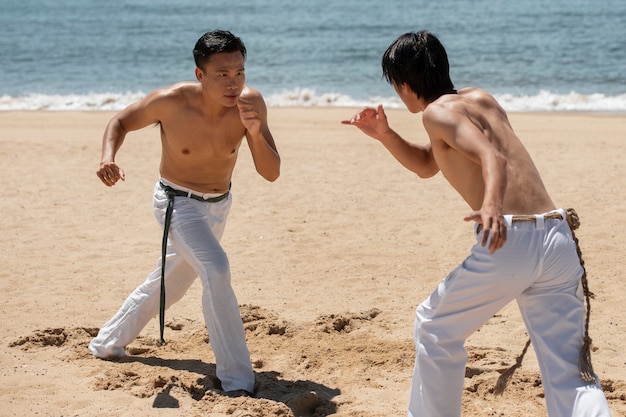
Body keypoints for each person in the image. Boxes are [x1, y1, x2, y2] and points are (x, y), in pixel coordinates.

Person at [342, 30, 611, 416]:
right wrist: (385, 135)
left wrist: (489, 207)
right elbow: (428, 165)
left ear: (403, 83)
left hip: (510, 238)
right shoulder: (479, 100)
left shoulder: (436, 114)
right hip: (556, 235)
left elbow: (491, 158)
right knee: (570, 371)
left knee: (433, 326)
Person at [89, 30, 280, 396]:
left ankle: (106, 343)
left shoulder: (251, 104)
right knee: (216, 268)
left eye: (239, 72)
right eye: (222, 74)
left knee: (171, 282)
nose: (233, 83)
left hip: (219, 206)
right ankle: (237, 379)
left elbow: (270, 172)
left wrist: (255, 133)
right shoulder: (171, 102)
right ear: (200, 74)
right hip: (177, 203)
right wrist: (107, 158)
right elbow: (120, 122)